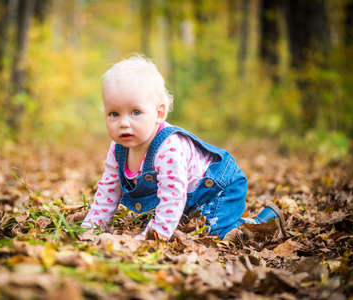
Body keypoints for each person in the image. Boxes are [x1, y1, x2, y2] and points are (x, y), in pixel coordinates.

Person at [81, 55, 284, 241]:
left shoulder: (168, 148)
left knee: (216, 233)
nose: (123, 123)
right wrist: (91, 228)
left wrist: (153, 237)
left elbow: (172, 195)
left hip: (218, 188)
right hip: (188, 196)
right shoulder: (118, 148)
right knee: (186, 223)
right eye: (114, 114)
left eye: (135, 112)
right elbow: (108, 190)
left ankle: (263, 224)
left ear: (159, 113)